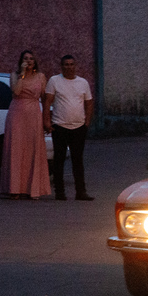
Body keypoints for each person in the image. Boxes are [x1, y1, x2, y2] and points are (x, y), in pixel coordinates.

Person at [1, 49, 51, 199]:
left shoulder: (41, 77)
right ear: (21, 61)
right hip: (17, 114)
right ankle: (14, 189)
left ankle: (33, 189)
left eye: (31, 59)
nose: (28, 61)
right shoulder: (14, 75)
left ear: (35, 62)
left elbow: (44, 98)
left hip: (34, 113)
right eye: (25, 58)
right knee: (16, 149)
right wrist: (22, 74)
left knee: (33, 149)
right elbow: (16, 92)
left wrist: (46, 119)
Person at [45, 54, 94, 201]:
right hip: (59, 126)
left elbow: (89, 103)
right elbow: (47, 102)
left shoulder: (83, 82)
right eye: (66, 64)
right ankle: (60, 192)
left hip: (79, 127)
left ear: (75, 66)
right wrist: (47, 122)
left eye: (71, 64)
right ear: (61, 67)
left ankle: (81, 192)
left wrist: (87, 123)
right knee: (59, 160)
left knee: (77, 160)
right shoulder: (54, 81)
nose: (69, 67)